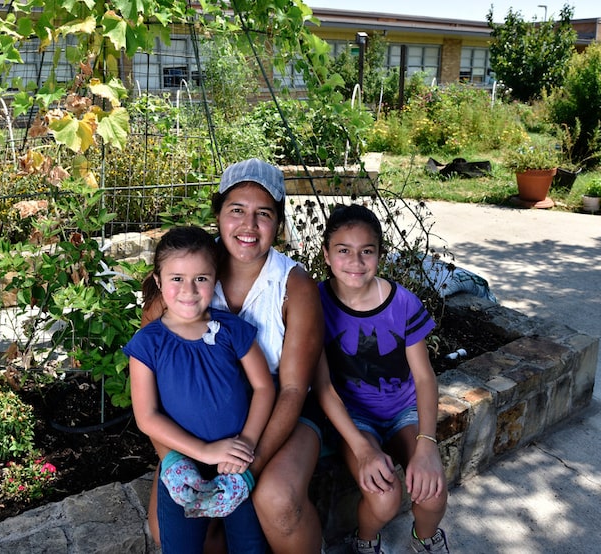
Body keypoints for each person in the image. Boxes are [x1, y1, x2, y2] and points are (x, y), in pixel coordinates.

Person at [141, 158, 326, 553]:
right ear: (218, 214)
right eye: (236, 210)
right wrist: (175, 460)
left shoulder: (294, 285)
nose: (249, 225)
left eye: (264, 214)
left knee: (276, 500)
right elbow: (153, 384)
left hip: (280, 412)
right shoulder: (189, 275)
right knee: (168, 526)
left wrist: (245, 470)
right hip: (206, 422)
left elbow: (292, 389)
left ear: (278, 223)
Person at [124, 226, 276, 554]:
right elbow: (146, 417)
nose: (189, 290)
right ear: (159, 279)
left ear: (215, 279)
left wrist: (247, 443)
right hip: (181, 466)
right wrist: (203, 452)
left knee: (250, 547)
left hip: (236, 464)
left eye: (201, 279)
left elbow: (264, 387)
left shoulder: (232, 330)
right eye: (177, 278)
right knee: (181, 547)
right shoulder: (147, 343)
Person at [313, 204, 450, 554]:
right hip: (353, 416)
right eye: (343, 250)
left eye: (366, 252)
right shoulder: (315, 304)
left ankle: (425, 539)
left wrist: (427, 444)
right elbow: (324, 387)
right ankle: (366, 539)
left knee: (433, 494)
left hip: (403, 409)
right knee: (385, 498)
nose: (355, 262)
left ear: (380, 255)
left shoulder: (401, 303)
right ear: (327, 254)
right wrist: (361, 450)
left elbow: (423, 377)